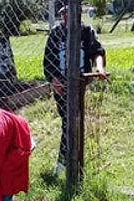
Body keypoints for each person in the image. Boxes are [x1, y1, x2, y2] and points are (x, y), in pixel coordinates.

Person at [43, 2, 106, 175]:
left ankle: (70, 163)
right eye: (63, 13)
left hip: (80, 85)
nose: (65, 17)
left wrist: (99, 68)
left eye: (69, 13)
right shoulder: (56, 34)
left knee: (74, 122)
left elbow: (97, 51)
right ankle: (66, 164)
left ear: (77, 13)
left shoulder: (86, 31)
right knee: (68, 122)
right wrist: (54, 80)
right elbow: (48, 62)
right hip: (62, 87)